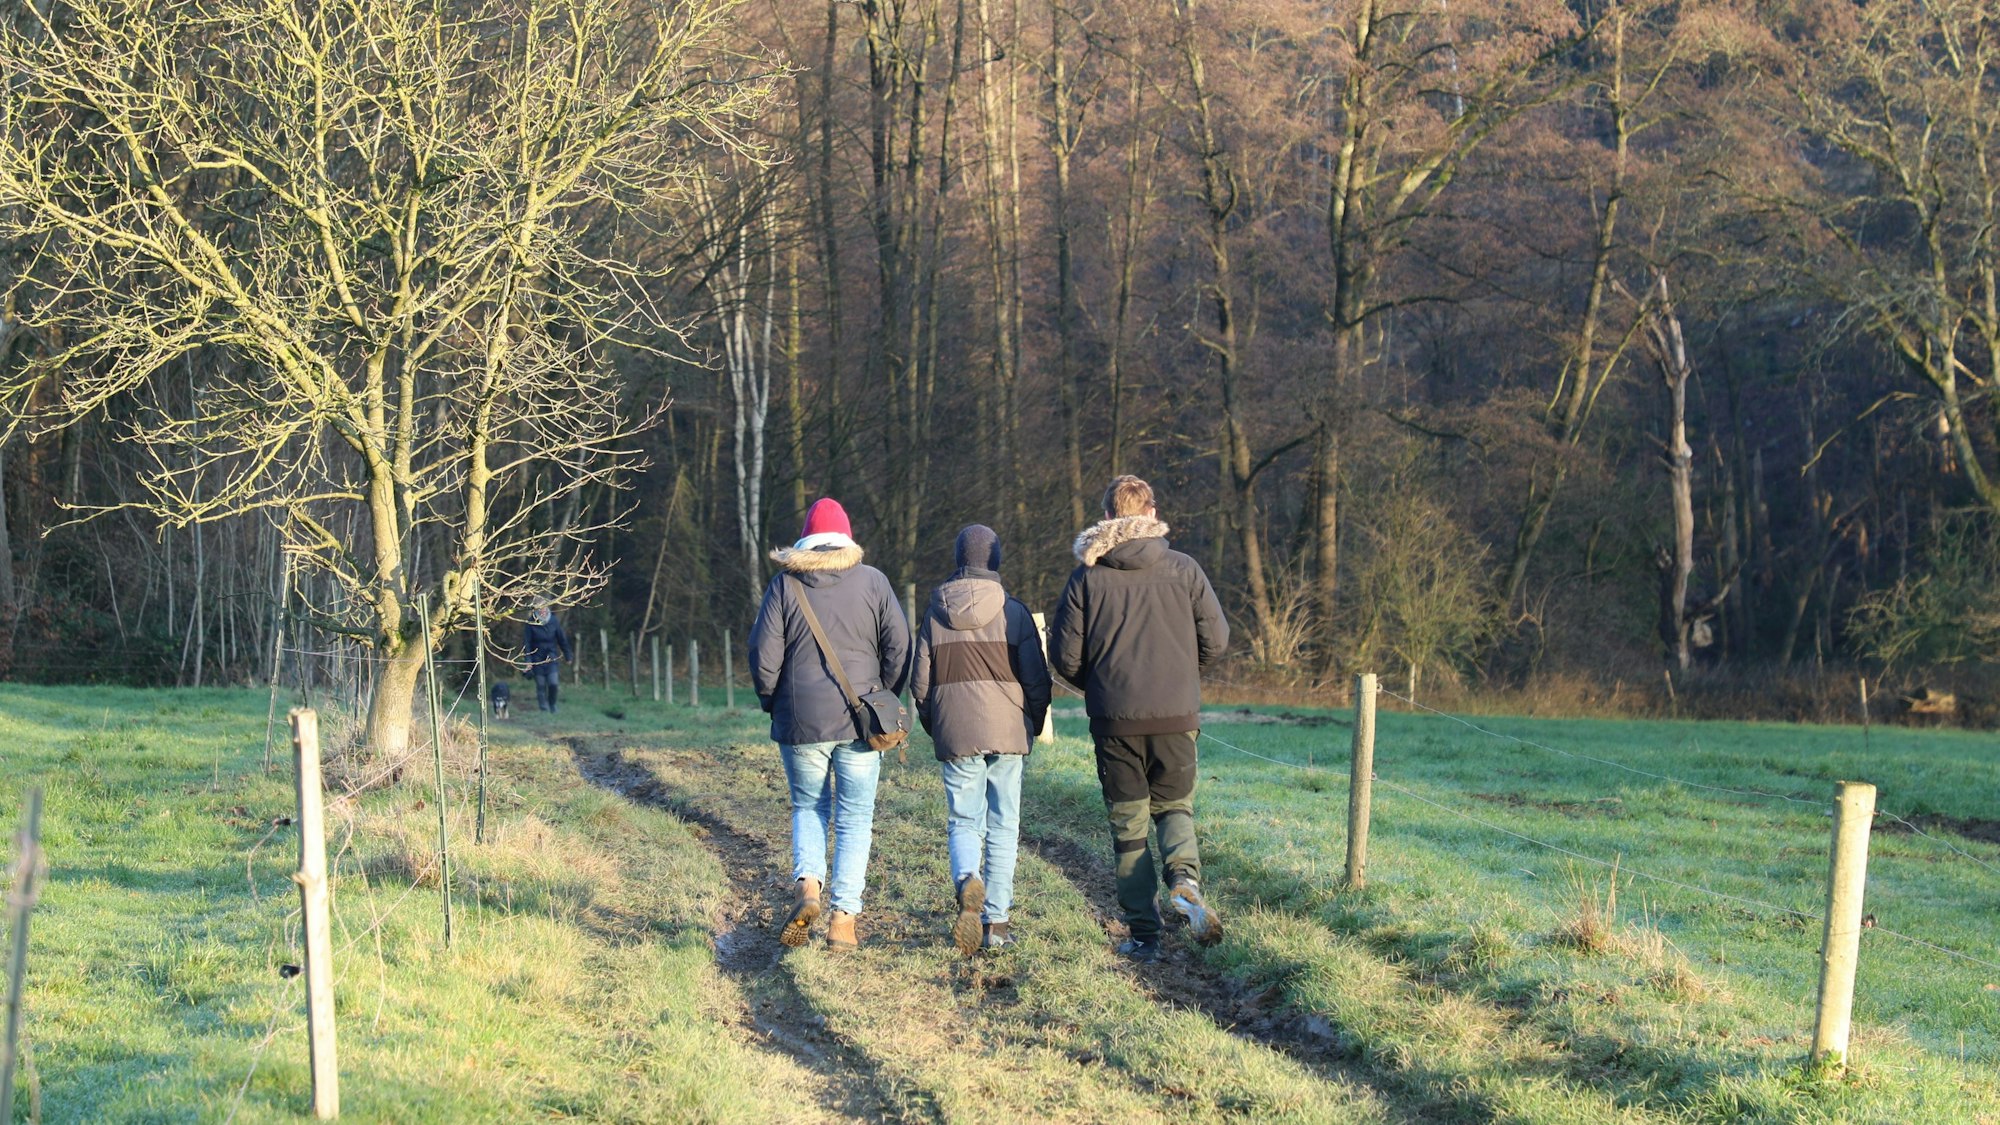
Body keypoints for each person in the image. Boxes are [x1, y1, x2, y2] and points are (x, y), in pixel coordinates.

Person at [1048, 475, 1229, 962]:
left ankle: (1145, 937)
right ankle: (1185, 881)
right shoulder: (1185, 569)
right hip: (1175, 715)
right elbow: (1216, 640)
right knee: (1175, 809)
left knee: (1129, 830)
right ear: (1151, 513)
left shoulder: (1087, 578)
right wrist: (1183, 677)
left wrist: (1102, 685)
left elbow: (1064, 657)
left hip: (1115, 721)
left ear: (1107, 517)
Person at [749, 498, 911, 951]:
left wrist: (773, 701)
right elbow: (900, 646)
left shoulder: (785, 585)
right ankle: (843, 922)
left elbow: (763, 655)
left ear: (806, 540)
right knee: (855, 818)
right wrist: (884, 696)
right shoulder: (874, 581)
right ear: (846, 539)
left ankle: (808, 887)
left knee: (808, 806)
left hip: (800, 720)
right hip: (862, 720)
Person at [910, 525, 1052, 955]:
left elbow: (920, 686)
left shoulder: (934, 614)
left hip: (957, 730)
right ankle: (997, 924)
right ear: (995, 561)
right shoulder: (1015, 613)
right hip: (1008, 731)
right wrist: (1032, 724)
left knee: (963, 820)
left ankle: (967, 879)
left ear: (959, 559)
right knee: (1004, 825)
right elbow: (1037, 681)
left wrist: (937, 725)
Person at [522, 600, 573, 714]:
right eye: (540, 609)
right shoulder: (530, 623)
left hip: (551, 656)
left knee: (553, 683)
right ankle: (543, 707)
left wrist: (568, 655)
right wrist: (528, 661)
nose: (543, 611)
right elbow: (527, 643)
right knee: (540, 684)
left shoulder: (554, 621)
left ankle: (552, 704)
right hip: (536, 658)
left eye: (544, 608)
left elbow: (562, 639)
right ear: (536, 610)